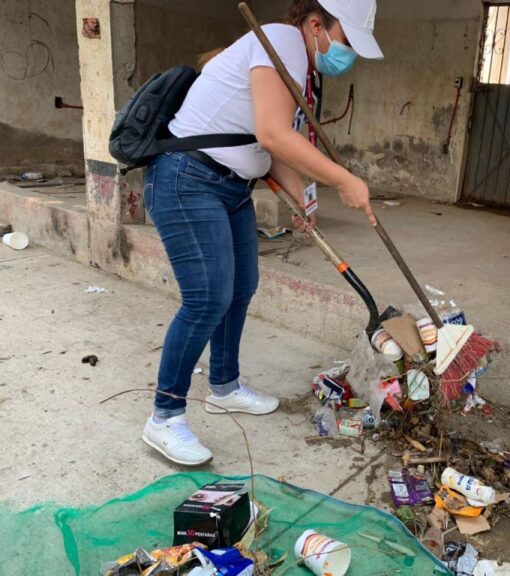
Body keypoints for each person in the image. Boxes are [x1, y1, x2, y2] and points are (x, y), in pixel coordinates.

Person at [141, 0, 383, 466]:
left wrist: (298, 200)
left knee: (241, 287)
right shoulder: (284, 42)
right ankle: (165, 416)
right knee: (208, 298)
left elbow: (260, 147)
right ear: (317, 25)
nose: (346, 55)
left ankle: (225, 386)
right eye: (347, 41)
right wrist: (343, 179)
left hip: (228, 186)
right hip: (186, 180)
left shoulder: (298, 66)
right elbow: (273, 135)